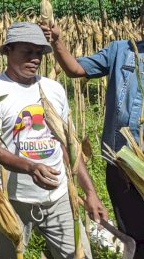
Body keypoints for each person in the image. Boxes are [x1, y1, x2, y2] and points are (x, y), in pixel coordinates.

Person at [0, 23, 105, 259]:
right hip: (12, 200)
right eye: (27, 52)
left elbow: (68, 146)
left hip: (59, 197)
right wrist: (30, 167)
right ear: (8, 51)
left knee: (80, 255)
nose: (35, 59)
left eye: (39, 53)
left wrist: (90, 192)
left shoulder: (53, 89)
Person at [42, 22, 144, 258]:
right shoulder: (120, 51)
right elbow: (75, 69)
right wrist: (57, 41)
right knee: (134, 235)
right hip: (124, 164)